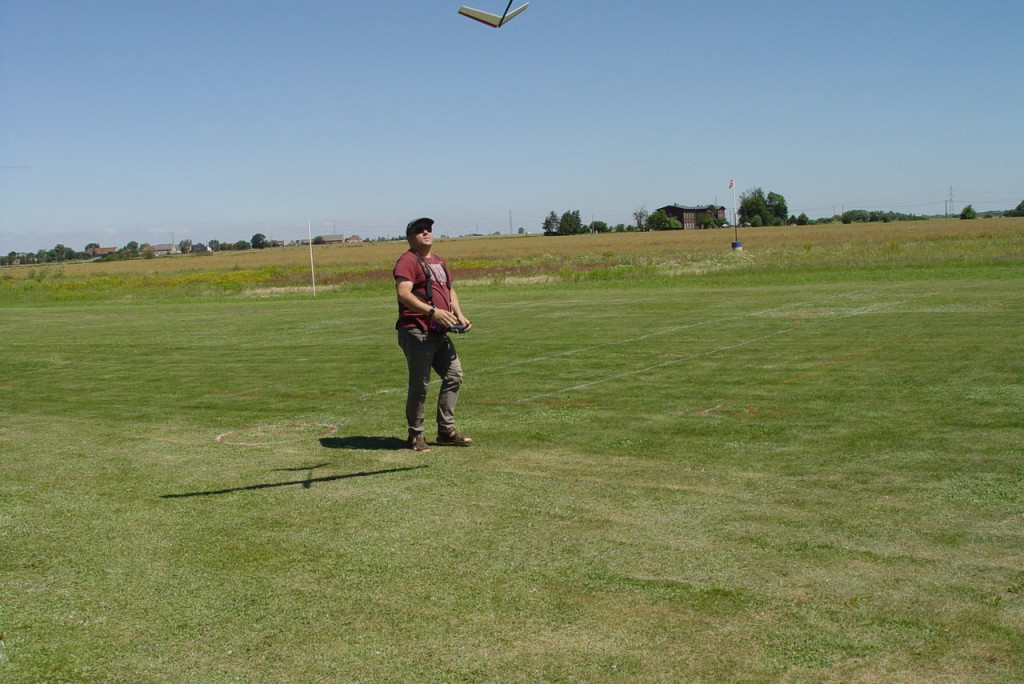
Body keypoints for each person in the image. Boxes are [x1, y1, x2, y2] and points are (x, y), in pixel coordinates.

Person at [394, 217, 473, 452]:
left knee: (454, 375)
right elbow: (403, 294)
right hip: (416, 329)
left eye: (428, 229)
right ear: (409, 237)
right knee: (420, 385)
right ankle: (416, 435)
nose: (426, 232)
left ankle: (446, 431)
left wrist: (459, 314)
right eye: (419, 230)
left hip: (439, 331)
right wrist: (432, 312)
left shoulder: (439, 260)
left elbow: (449, 290)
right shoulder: (407, 261)